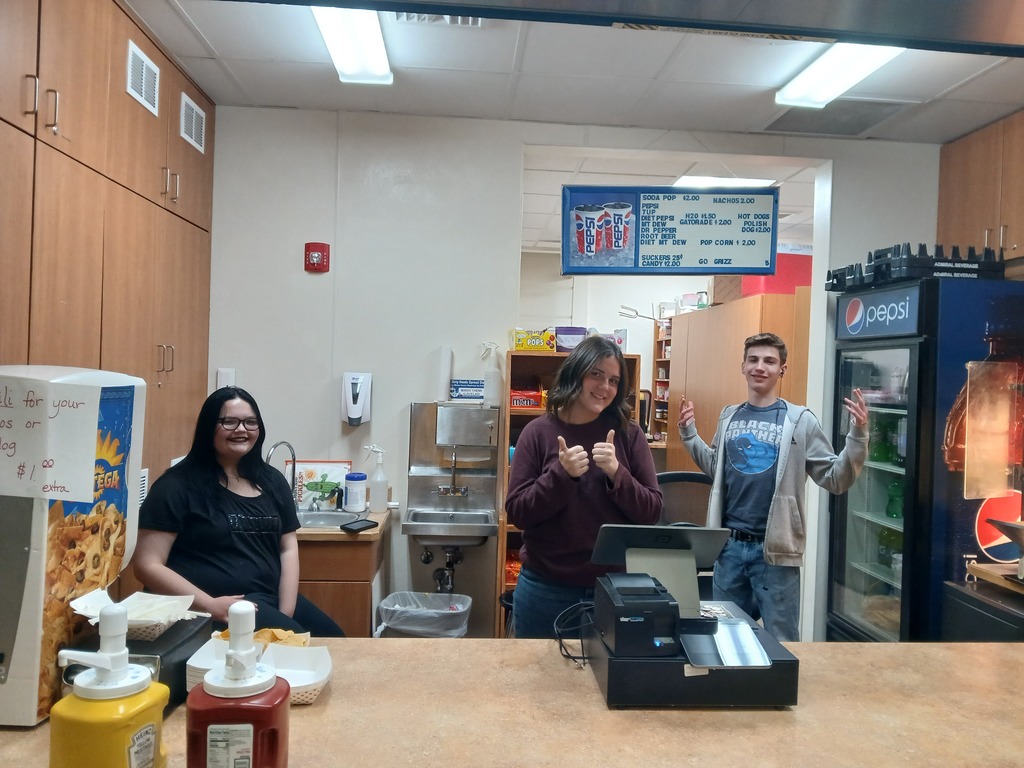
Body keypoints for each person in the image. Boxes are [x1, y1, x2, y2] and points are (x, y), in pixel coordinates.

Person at [677, 332, 868, 642]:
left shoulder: (801, 421)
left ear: (782, 369)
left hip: (776, 552)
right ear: (742, 366)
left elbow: (836, 478)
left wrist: (857, 436)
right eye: (753, 360)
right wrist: (689, 434)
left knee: (782, 641)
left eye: (769, 361)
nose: (760, 367)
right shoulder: (729, 416)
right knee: (725, 638)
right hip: (729, 548)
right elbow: (716, 468)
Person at [133, 386, 345, 636]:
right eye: (229, 422)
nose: (242, 429)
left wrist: (286, 611)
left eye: (250, 422)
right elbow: (147, 565)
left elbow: (287, 547)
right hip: (214, 606)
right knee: (303, 649)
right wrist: (210, 606)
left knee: (338, 641)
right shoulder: (176, 486)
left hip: (267, 599)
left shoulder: (272, 481)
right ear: (208, 427)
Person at [505, 336, 662, 638]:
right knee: (537, 668)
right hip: (545, 589)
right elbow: (518, 513)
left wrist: (617, 474)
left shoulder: (629, 435)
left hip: (613, 589)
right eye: (596, 374)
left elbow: (652, 512)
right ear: (576, 373)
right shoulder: (537, 432)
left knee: (607, 670)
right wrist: (560, 476)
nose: (605, 387)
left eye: (614, 380)